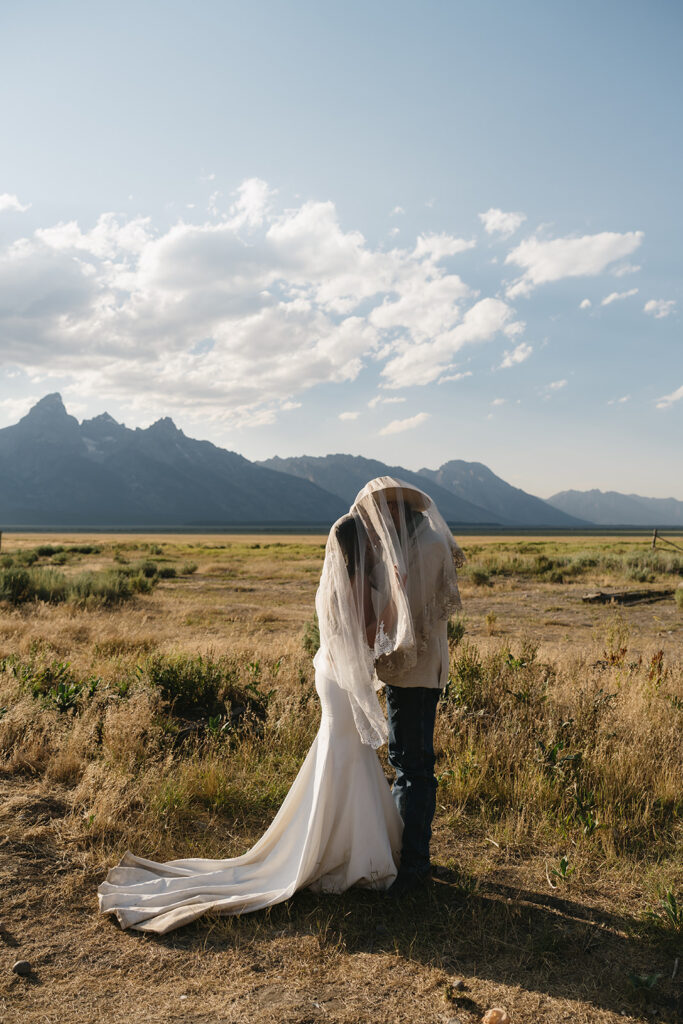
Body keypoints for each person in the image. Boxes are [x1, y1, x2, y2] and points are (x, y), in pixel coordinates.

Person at [98, 476, 463, 933]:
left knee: (372, 761)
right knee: (368, 761)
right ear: (359, 549)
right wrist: (391, 595)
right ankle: (370, 855)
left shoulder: (407, 552)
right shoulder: (365, 577)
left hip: (349, 675)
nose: (378, 532)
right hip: (347, 678)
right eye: (371, 530)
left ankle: (379, 853)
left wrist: (392, 593)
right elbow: (373, 634)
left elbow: (393, 627)